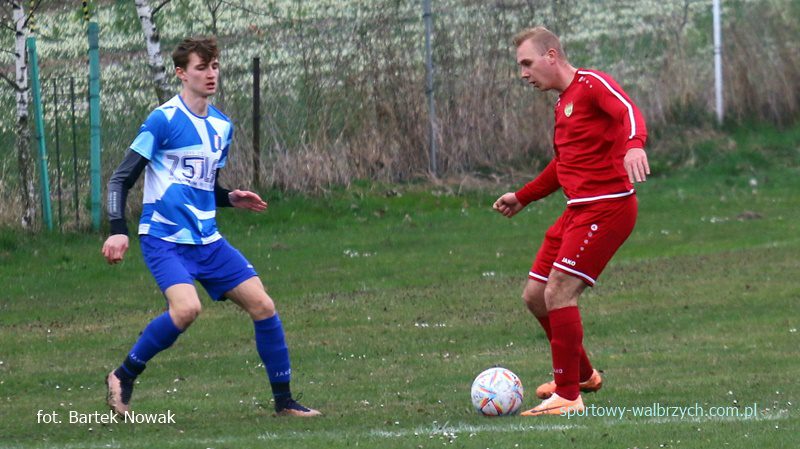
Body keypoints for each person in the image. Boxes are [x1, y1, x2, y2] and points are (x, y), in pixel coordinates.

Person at [102, 36, 320, 418]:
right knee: (187, 309)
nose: (211, 74)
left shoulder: (222, 126)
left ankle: (284, 402)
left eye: (215, 66)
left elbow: (203, 187)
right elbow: (120, 179)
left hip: (208, 240)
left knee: (263, 305)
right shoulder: (163, 120)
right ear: (181, 73)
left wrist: (230, 197)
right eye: (201, 67)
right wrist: (118, 228)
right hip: (165, 239)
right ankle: (123, 375)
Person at [493, 27, 650, 416]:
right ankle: (581, 375)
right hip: (577, 210)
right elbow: (564, 164)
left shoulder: (592, 84)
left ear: (551, 56)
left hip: (607, 208)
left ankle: (567, 396)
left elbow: (628, 111)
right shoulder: (563, 102)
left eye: (527, 63)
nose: (523, 74)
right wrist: (523, 196)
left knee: (559, 291)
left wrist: (634, 145)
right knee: (535, 296)